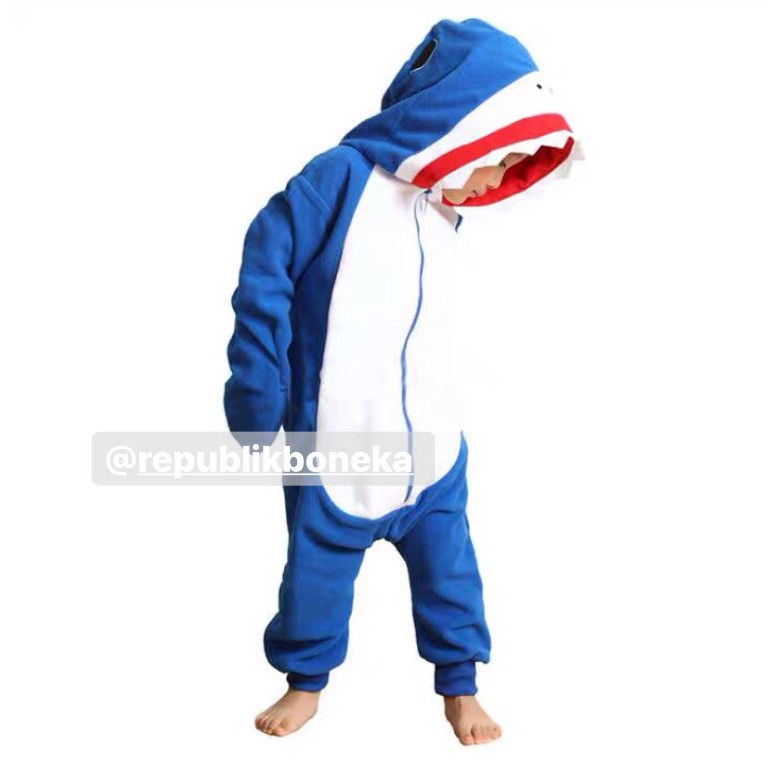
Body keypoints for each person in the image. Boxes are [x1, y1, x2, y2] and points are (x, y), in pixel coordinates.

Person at [224, 17, 582, 745]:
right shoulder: (340, 177)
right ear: (459, 124)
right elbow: (266, 268)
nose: (497, 179)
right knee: (315, 573)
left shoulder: (441, 207)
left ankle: (461, 685)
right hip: (340, 440)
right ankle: (304, 681)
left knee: (452, 572)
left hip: (432, 448)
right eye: (499, 156)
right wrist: (257, 389)